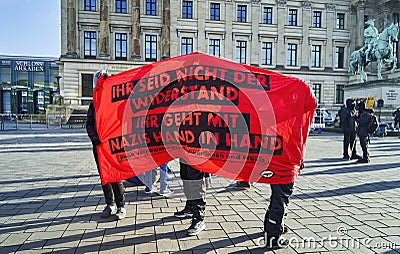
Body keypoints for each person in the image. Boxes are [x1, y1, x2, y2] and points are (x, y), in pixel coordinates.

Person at [86, 70, 126, 220]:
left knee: (116, 176)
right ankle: (110, 204)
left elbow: (122, 122)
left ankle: (121, 205)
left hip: (113, 146)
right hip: (99, 147)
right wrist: (95, 139)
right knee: (105, 176)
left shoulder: (116, 102)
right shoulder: (94, 104)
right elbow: (89, 124)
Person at [263, 162, 304, 250]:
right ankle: (273, 237)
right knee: (280, 199)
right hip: (285, 165)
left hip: (275, 163)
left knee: (277, 196)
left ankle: (270, 227)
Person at [174, 160, 206, 236]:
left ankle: (199, 218)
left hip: (196, 153)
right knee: (186, 177)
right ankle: (191, 207)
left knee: (195, 180)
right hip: (184, 152)